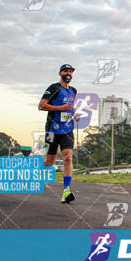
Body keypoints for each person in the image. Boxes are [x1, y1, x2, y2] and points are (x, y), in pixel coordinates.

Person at [38, 64, 77, 203]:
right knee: (50, 162)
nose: (68, 73)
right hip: (52, 130)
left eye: (71, 71)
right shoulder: (54, 88)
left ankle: (66, 191)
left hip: (67, 129)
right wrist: (60, 108)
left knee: (67, 157)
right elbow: (41, 106)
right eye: (66, 71)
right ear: (60, 73)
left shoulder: (73, 91)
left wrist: (74, 115)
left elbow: (70, 108)